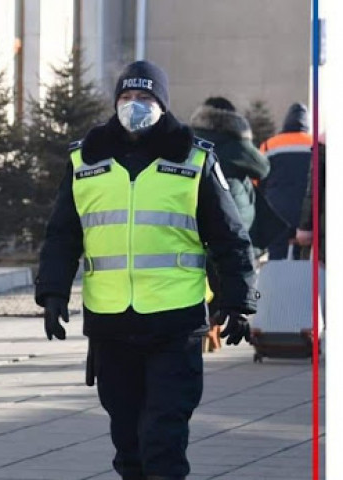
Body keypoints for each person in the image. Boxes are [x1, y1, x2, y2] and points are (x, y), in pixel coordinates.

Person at [35, 60, 258, 480]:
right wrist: (52, 293)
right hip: (111, 323)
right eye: (126, 97)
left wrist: (240, 300)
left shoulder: (194, 161)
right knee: (127, 442)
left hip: (175, 323)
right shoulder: (86, 160)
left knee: (163, 438)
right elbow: (63, 234)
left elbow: (230, 237)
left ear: (162, 104)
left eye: (145, 98)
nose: (134, 105)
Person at [189, 97, 271, 349]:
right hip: (233, 209)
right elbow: (262, 167)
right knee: (229, 267)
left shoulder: (190, 138)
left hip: (194, 210)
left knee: (203, 273)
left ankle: (206, 326)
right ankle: (215, 323)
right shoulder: (235, 142)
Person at [260, 103, 313, 259]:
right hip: (307, 212)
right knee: (304, 256)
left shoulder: (270, 145)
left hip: (277, 210)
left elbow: (258, 179)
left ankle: (276, 282)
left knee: (276, 253)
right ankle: (300, 282)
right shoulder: (316, 144)